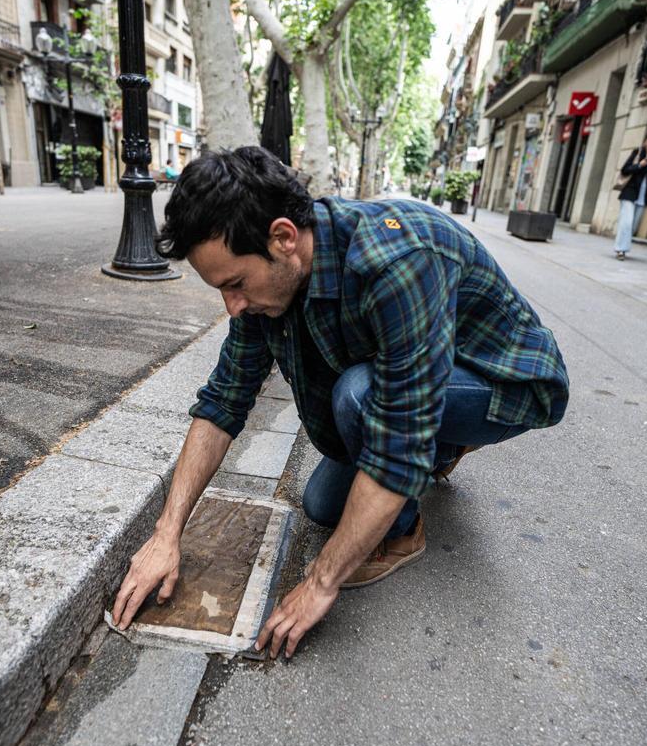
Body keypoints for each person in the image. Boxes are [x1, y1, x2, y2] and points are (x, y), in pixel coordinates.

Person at [111, 147, 569, 659]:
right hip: (417, 383)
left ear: (284, 238)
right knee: (323, 506)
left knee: (359, 396)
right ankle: (441, 447)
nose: (232, 305)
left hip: (506, 381)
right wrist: (167, 533)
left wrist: (322, 582)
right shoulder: (270, 286)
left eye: (236, 284)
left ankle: (405, 530)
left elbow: (396, 447)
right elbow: (223, 401)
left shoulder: (397, 262)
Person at [614, 129, 647, 260]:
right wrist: (641, 164)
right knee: (626, 222)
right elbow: (625, 170)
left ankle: (623, 246)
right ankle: (621, 250)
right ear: (645, 141)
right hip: (629, 192)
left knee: (633, 225)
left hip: (644, 195)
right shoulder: (637, 152)